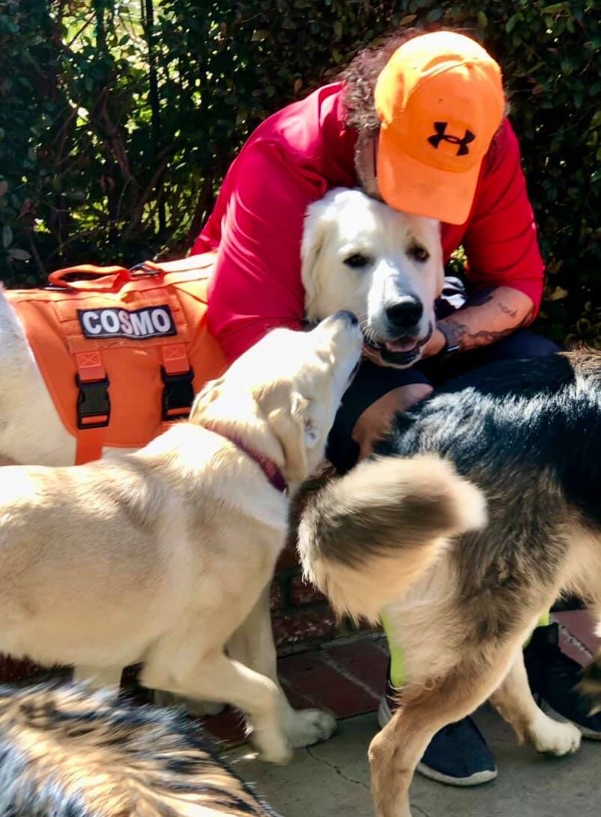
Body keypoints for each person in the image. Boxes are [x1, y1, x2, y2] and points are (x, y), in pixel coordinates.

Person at [191, 28, 601, 787]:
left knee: (533, 380)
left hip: (425, 329)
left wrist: (439, 337)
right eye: (405, 173)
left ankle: (529, 647)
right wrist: (377, 380)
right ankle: (411, 683)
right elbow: (251, 332)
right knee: (407, 417)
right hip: (309, 350)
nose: (420, 198)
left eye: (438, 191)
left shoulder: (481, 139)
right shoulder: (282, 155)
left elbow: (516, 287)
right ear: (365, 123)